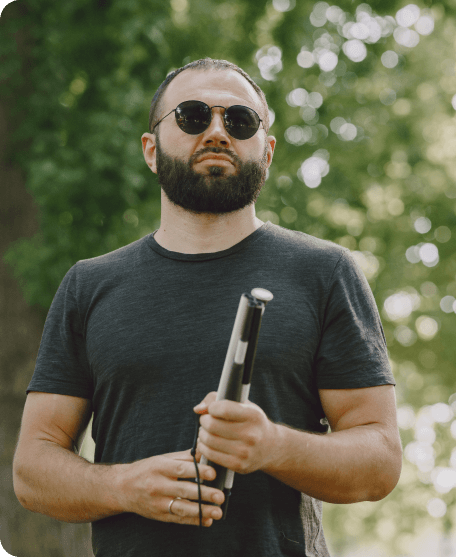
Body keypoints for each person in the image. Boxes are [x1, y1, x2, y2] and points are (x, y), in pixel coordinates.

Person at [13, 58, 402, 557]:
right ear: (151, 150)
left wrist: (273, 445)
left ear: (268, 151)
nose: (217, 131)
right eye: (193, 116)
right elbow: (31, 470)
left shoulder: (325, 273)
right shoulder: (89, 285)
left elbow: (380, 462)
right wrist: (124, 485)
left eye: (240, 121)